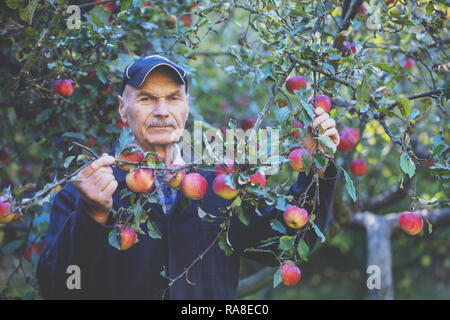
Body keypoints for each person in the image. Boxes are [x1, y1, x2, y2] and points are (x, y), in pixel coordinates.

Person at [37, 55, 340, 299]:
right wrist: (91, 219)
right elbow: (59, 289)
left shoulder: (223, 187)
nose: (162, 111)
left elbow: (288, 247)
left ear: (187, 105)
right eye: (145, 99)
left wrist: (317, 170)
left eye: (173, 98)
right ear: (122, 109)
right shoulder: (90, 192)